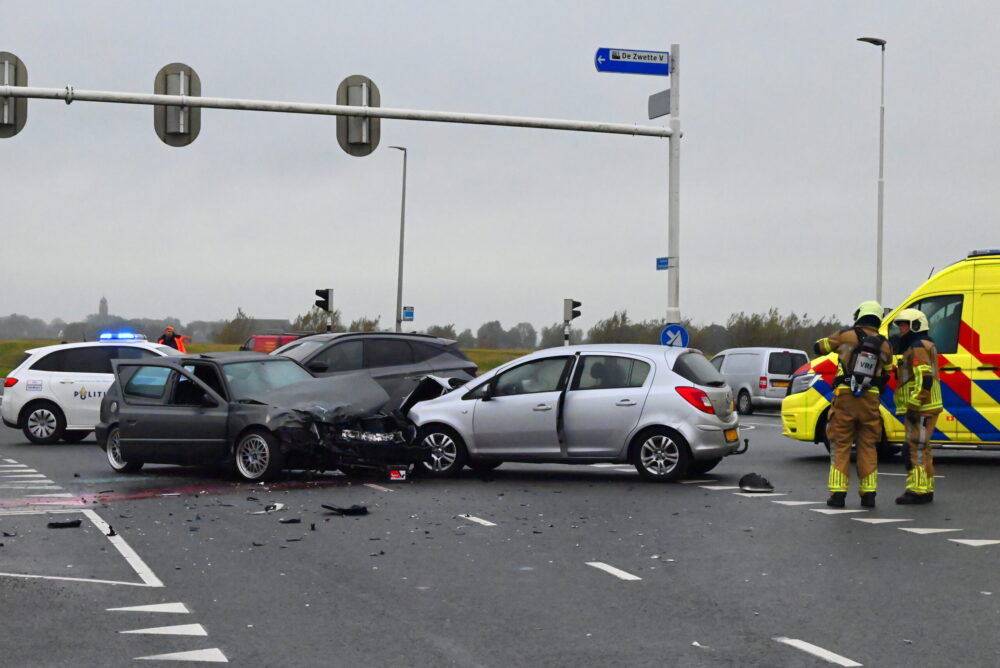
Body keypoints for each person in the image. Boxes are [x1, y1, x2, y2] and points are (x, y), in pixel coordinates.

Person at [814, 300, 893, 508]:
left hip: (846, 396)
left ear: (859, 315)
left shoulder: (845, 335)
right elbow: (889, 370)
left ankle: (838, 495)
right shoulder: (885, 344)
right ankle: (869, 495)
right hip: (870, 399)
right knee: (868, 445)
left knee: (841, 444)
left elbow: (819, 347)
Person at [892, 308, 942, 504]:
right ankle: (926, 488)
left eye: (903, 325)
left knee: (914, 448)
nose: (900, 330)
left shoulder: (918, 346)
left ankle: (918, 491)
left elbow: (925, 378)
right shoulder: (923, 344)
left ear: (915, 326)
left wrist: (914, 404)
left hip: (922, 406)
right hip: (928, 405)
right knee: (923, 447)